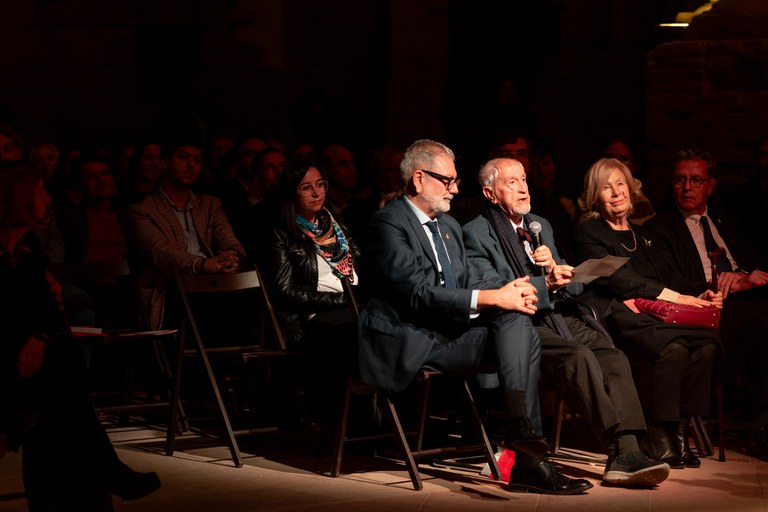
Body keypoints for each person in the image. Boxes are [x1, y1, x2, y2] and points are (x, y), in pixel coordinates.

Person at [359, 139, 592, 495]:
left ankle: (520, 435)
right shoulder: (387, 224)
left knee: (517, 318)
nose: (455, 188)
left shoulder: (449, 226)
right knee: (509, 315)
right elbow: (416, 294)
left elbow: (471, 282)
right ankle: (525, 446)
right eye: (447, 180)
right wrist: (491, 296)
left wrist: (519, 289)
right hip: (410, 337)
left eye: (455, 180)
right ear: (418, 179)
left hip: (450, 334)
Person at [463, 157, 669, 486]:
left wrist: (560, 273)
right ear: (490, 194)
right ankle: (617, 447)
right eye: (511, 182)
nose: (523, 187)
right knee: (580, 357)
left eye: (524, 179)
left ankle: (628, 450)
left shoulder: (539, 224)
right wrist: (544, 281)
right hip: (517, 325)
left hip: (558, 314)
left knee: (612, 356)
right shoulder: (476, 233)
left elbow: (569, 284)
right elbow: (494, 290)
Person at [0, 162, 160, 511]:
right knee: (63, 383)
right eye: (40, 191)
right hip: (8, 356)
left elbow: (47, 303)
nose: (48, 199)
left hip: (34, 359)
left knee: (62, 382)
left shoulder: (26, 248)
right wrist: (34, 335)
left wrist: (39, 336)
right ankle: (111, 471)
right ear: (20, 197)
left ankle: (101, 479)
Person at [573, 157, 723, 470]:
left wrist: (698, 295)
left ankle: (677, 430)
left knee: (703, 346)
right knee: (678, 346)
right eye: (606, 187)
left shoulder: (645, 236)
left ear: (631, 189)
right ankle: (659, 432)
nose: (616, 193)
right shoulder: (590, 233)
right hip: (616, 316)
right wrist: (670, 296)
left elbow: (671, 277)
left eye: (620, 184)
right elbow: (615, 277)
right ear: (594, 196)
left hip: (656, 319)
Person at [645, 149, 768, 426]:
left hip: (749, 305)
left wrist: (744, 276)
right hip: (708, 307)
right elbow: (671, 282)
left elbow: (754, 263)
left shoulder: (730, 221)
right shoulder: (659, 229)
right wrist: (720, 287)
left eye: (695, 180)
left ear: (710, 186)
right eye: (680, 180)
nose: (687, 187)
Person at [126, 138, 245, 329]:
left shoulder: (209, 205)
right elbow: (161, 253)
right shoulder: (143, 210)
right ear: (165, 163)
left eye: (197, 160)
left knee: (246, 295)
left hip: (213, 281)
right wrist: (202, 264)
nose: (191, 165)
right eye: (183, 158)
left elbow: (228, 239)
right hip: (171, 285)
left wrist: (233, 256)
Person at [262, 157, 359, 347]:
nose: (316, 193)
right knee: (368, 327)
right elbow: (286, 292)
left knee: (395, 320)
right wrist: (341, 299)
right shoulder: (281, 235)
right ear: (292, 192)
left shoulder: (337, 225)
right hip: (316, 315)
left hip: (353, 304)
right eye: (306, 187)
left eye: (320, 184)